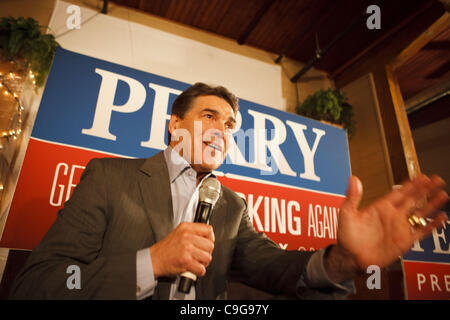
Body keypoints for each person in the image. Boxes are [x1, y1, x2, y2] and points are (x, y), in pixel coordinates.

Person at [10, 83, 448, 299]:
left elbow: (275, 268)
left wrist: (344, 260)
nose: (223, 130)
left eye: (230, 124)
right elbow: (37, 286)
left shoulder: (232, 206)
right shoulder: (109, 178)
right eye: (210, 116)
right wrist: (153, 262)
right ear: (175, 125)